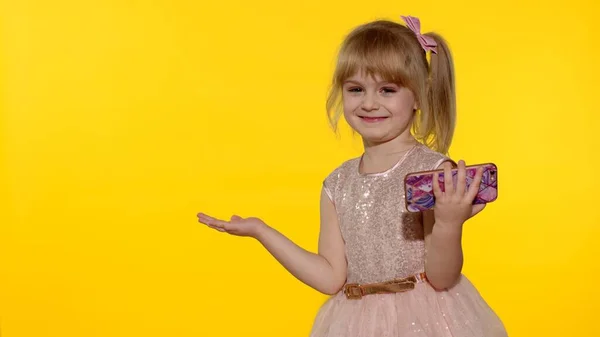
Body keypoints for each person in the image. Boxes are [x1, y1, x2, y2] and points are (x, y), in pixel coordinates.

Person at [197, 15, 508, 337]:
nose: (369, 103)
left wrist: (448, 223)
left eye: (387, 90)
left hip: (425, 320)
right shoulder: (338, 183)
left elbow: (442, 278)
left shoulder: (430, 173)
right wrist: (261, 231)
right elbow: (330, 278)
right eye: (356, 89)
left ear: (418, 96)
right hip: (355, 323)